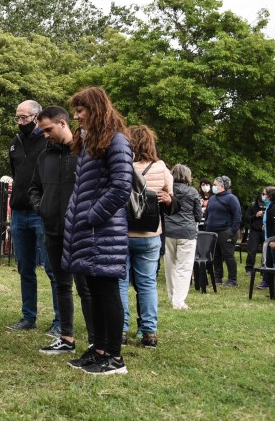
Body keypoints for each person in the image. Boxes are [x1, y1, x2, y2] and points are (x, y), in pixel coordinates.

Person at [61, 86, 133, 375]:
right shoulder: (92, 142)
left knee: (107, 292)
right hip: (90, 231)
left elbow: (121, 187)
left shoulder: (117, 140)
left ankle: (114, 359)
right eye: (76, 111)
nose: (77, 116)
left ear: (96, 110)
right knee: (94, 289)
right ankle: (99, 349)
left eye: (81, 110)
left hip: (102, 231)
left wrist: (92, 216)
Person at [28, 106, 94, 356]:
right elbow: (34, 188)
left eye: (48, 130)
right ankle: (67, 338)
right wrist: (41, 207)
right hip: (52, 229)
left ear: (63, 123)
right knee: (61, 284)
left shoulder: (85, 153)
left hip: (80, 230)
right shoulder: (44, 157)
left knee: (85, 287)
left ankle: (94, 341)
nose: (45, 135)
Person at [6, 100, 59, 335]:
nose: (20, 122)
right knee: (24, 268)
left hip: (41, 214)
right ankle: (29, 317)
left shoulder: (48, 142)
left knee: (51, 268)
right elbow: (17, 175)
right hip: (18, 213)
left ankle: (60, 321)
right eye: (18, 118)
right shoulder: (15, 144)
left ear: (36, 117)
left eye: (24, 118)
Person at [122, 125, 171, 349]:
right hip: (150, 233)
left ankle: (121, 329)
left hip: (122, 232)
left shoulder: (123, 166)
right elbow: (170, 197)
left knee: (120, 283)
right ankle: (149, 332)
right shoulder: (161, 167)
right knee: (148, 284)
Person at [164, 164, 202, 310]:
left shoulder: (168, 190)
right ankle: (178, 301)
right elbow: (198, 215)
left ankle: (172, 296)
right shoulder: (192, 192)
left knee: (170, 266)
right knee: (184, 268)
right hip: (187, 232)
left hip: (168, 231)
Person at [204, 176, 242, 288]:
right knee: (216, 255)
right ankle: (217, 277)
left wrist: (232, 231)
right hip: (212, 232)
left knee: (228, 255)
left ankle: (232, 279)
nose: (213, 186)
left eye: (215, 184)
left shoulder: (231, 198)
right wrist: (207, 224)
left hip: (225, 231)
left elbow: (237, 215)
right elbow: (207, 214)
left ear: (222, 186)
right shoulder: (212, 198)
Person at [242, 188, 268, 275]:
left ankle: (264, 269)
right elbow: (246, 218)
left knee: (266, 251)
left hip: (266, 230)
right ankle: (249, 269)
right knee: (251, 251)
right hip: (254, 230)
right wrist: (255, 215)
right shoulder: (253, 205)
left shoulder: (271, 205)